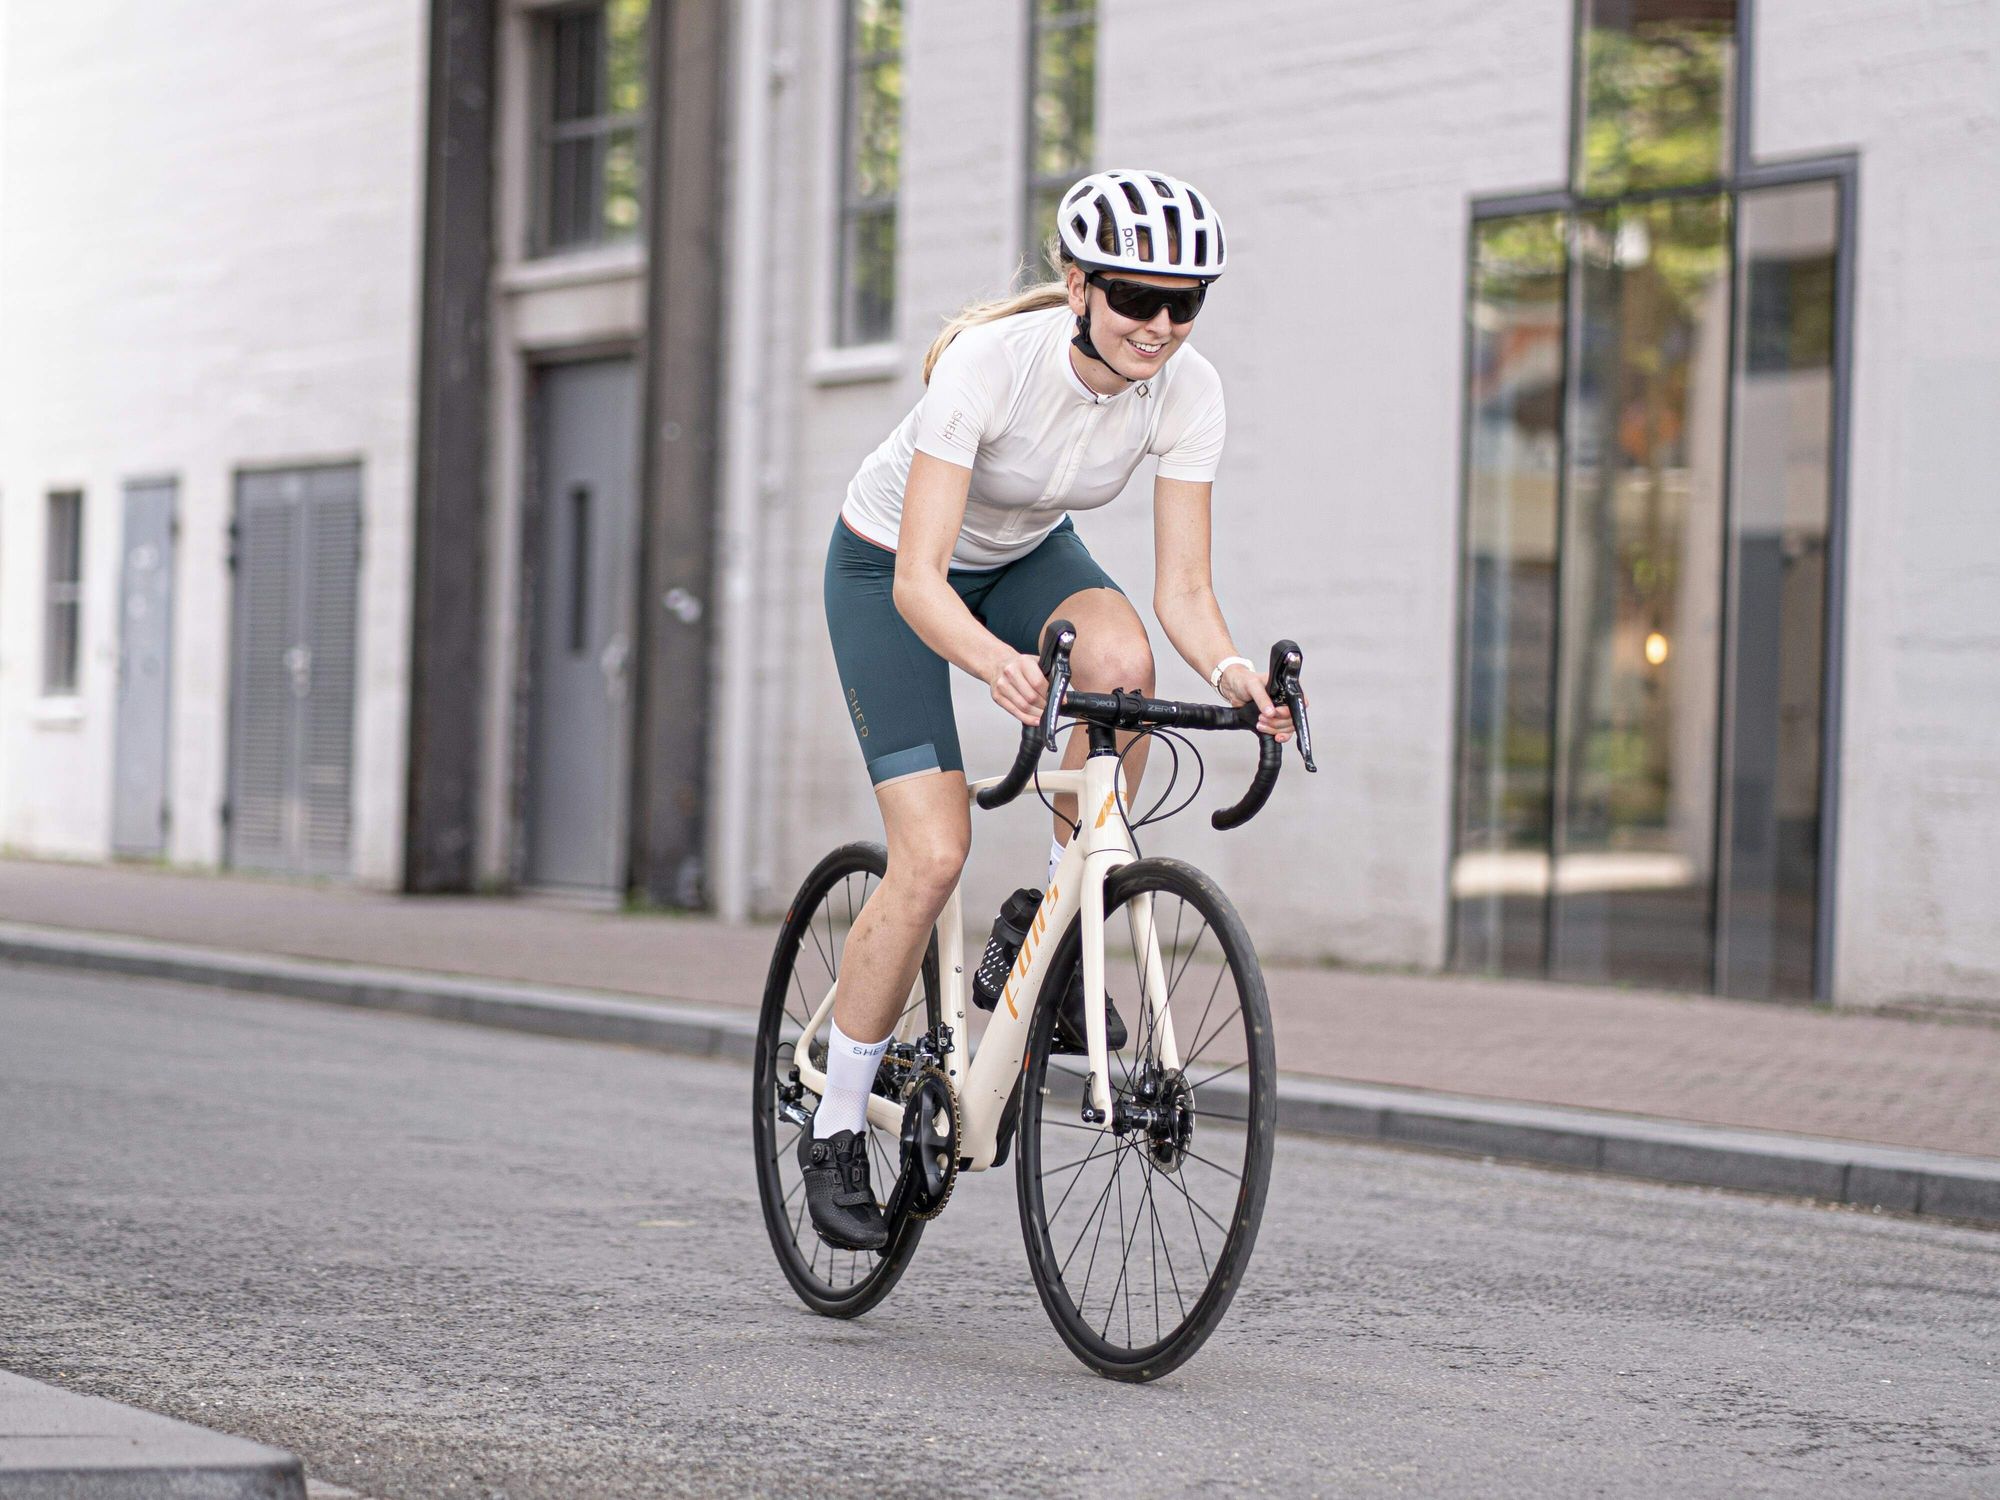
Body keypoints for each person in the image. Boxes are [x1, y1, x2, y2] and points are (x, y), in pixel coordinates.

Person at [804, 168, 1297, 1251]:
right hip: (892, 569)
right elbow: (920, 580)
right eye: (1135, 298)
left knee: (1122, 660)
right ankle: (835, 1121)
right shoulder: (989, 366)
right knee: (932, 854)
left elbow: (1182, 592)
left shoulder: (1189, 390)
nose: (1159, 326)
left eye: (1184, 303)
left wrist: (1231, 674)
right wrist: (994, 664)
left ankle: (1047, 920)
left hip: (1024, 556)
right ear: (1078, 287)